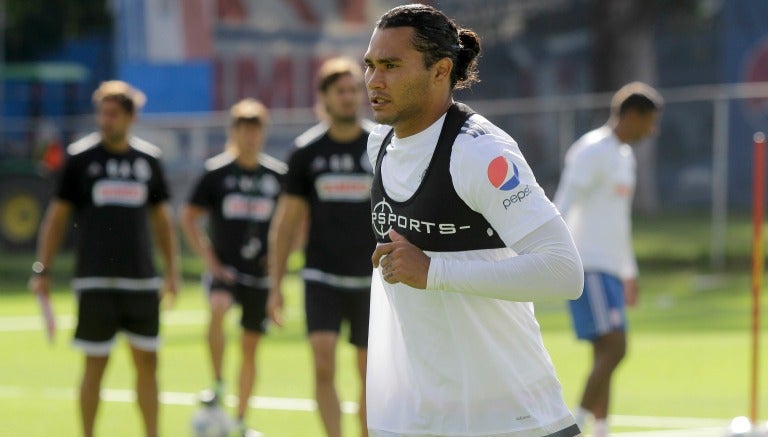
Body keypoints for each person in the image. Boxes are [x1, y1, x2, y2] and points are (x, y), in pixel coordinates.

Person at [362, 4, 584, 437]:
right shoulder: (379, 145)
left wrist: (434, 271)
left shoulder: (479, 151)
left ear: (440, 70)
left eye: (391, 65)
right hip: (416, 420)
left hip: (511, 419)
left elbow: (564, 271)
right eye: (370, 65)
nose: (374, 80)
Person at [28, 80, 179, 437]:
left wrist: (172, 271)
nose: (105, 120)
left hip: (141, 280)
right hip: (94, 279)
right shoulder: (81, 159)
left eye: (113, 114)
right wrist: (43, 268)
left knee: (148, 362)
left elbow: (161, 221)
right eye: (102, 113)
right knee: (95, 364)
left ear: (131, 117)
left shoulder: (148, 161)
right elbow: (57, 216)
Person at [268, 56, 375, 437]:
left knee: (369, 373)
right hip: (320, 275)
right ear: (324, 98)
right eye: (340, 91)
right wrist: (276, 283)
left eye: (353, 90)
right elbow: (287, 222)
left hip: (371, 278)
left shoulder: (380, 147)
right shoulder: (305, 152)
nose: (349, 98)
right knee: (324, 363)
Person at [553, 82, 663, 437]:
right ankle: (575, 424)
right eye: (649, 122)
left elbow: (619, 220)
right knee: (617, 348)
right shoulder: (591, 150)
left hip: (612, 268)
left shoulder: (625, 157)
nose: (652, 130)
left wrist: (629, 272)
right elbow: (564, 202)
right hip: (590, 264)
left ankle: (601, 429)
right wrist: (551, 252)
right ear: (631, 116)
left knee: (605, 352)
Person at [181, 98, 284, 437]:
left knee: (251, 345)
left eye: (256, 130)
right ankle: (218, 381)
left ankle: (239, 422)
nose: (250, 136)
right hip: (225, 271)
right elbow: (189, 218)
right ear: (234, 132)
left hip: (259, 274)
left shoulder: (276, 176)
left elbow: (297, 223)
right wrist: (210, 261)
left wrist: (281, 256)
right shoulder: (217, 173)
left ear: (263, 133)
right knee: (218, 307)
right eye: (244, 129)